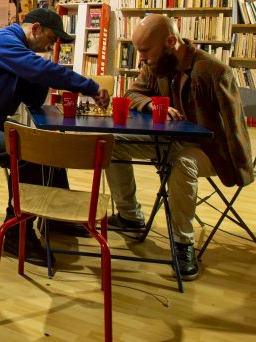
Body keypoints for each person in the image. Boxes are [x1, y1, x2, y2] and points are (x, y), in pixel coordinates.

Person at [105, 14, 253, 280]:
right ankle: (129, 216)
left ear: (171, 41)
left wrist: (241, 169)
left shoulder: (214, 71)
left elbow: (235, 127)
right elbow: (131, 94)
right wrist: (150, 104)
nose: (140, 58)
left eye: (144, 50)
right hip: (168, 141)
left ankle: (183, 243)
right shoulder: (156, 65)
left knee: (182, 163)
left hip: (206, 150)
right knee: (111, 144)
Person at [0, 8, 110, 264]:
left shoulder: (19, 50)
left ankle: (54, 217)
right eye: (52, 38)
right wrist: (89, 86)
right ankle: (16, 232)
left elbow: (33, 93)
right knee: (31, 154)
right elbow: (39, 70)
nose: (52, 45)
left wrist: (40, 74)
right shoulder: (4, 41)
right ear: (35, 29)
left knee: (47, 144)